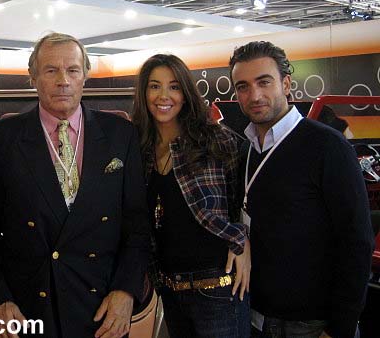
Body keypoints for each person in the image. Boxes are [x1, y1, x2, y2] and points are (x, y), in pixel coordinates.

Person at [0, 32, 150, 338]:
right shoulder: (1, 139)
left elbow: (138, 226)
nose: (63, 80)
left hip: (103, 307)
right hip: (28, 309)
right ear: (33, 77)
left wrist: (126, 290)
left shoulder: (120, 134)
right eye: (51, 70)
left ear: (85, 75)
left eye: (72, 70)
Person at [229, 41, 374, 338]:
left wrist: (339, 328)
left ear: (285, 84)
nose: (254, 95)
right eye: (243, 86)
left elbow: (357, 242)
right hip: (255, 317)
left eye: (264, 82)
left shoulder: (327, 146)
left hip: (312, 324)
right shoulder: (245, 150)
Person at [132, 54, 251, 338]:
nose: (164, 96)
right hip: (169, 289)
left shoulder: (215, 139)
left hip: (218, 287)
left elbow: (244, 199)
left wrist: (243, 240)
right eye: (154, 86)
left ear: (185, 93)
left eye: (174, 86)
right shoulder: (138, 148)